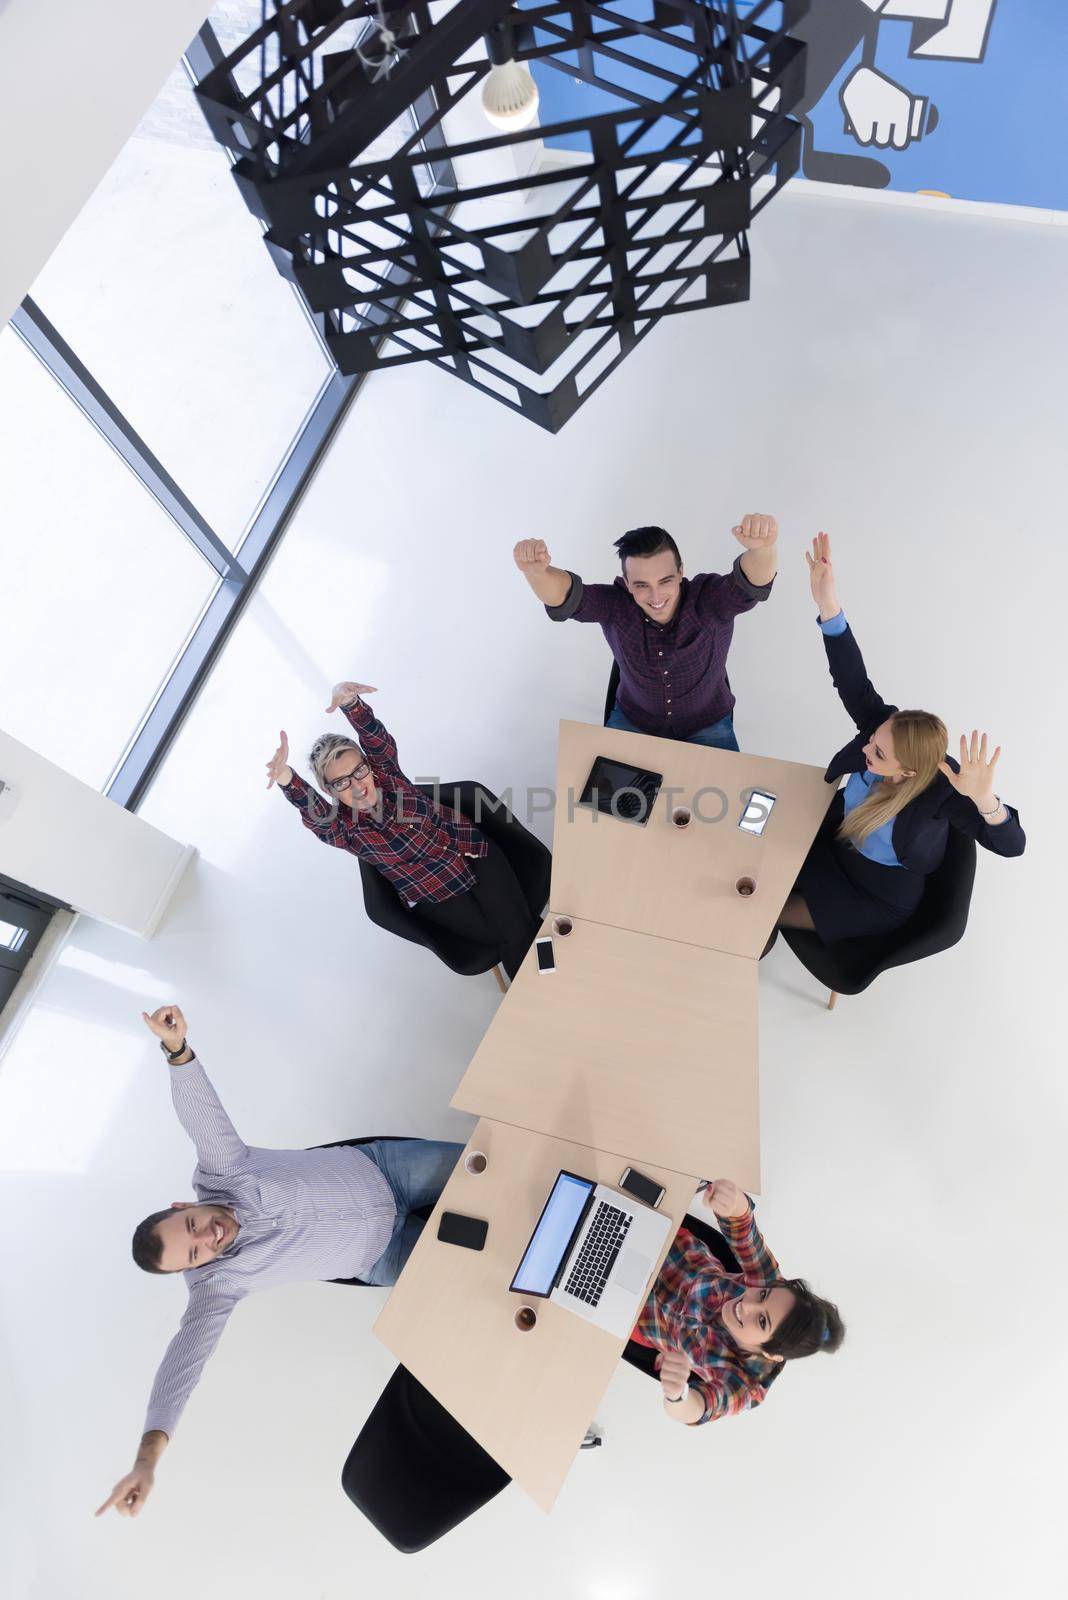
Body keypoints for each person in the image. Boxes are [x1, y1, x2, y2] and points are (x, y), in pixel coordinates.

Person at [96, 1005, 463, 1521]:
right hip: (385, 1254)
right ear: (192, 1268)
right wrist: (146, 1460)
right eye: (197, 1252)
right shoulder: (215, 1288)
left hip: (386, 1172)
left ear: (184, 1205)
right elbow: (182, 1365)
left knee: (500, 1170)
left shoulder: (224, 1169)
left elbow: (200, 1114)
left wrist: (176, 1050)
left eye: (193, 1226)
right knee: (487, 1259)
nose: (209, 1237)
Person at [777, 533, 1025, 944]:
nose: (865, 748)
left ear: (909, 770)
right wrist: (828, 607)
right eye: (874, 737)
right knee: (754, 877)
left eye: (877, 753)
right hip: (835, 847)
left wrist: (985, 801)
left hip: (876, 894)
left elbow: (1014, 846)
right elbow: (851, 679)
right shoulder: (883, 727)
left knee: (766, 912)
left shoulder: (942, 791)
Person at [266, 680, 539, 979]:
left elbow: (377, 740)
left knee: (514, 934)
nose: (358, 784)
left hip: (472, 849)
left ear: (368, 766)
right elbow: (314, 813)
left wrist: (351, 705)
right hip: (440, 893)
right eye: (342, 782)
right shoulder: (344, 830)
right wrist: (286, 778)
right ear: (327, 788)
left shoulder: (388, 776)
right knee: (512, 934)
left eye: (359, 770)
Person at [512, 513, 780, 750]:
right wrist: (537, 573)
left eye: (665, 581)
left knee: (726, 803)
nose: (656, 596)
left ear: (681, 572)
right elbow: (565, 596)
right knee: (603, 804)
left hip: (707, 723)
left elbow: (751, 583)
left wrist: (763, 549)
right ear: (627, 584)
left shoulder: (709, 600)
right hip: (635, 721)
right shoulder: (617, 605)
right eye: (641, 585)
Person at [631, 1178, 843, 1425]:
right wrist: (732, 1201)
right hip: (664, 1245)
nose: (747, 1304)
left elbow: (699, 1409)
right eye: (763, 1295)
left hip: (637, 1313)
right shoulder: (769, 1281)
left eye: (762, 1321)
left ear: (770, 1353)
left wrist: (678, 1395)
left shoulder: (748, 1385)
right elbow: (743, 1225)